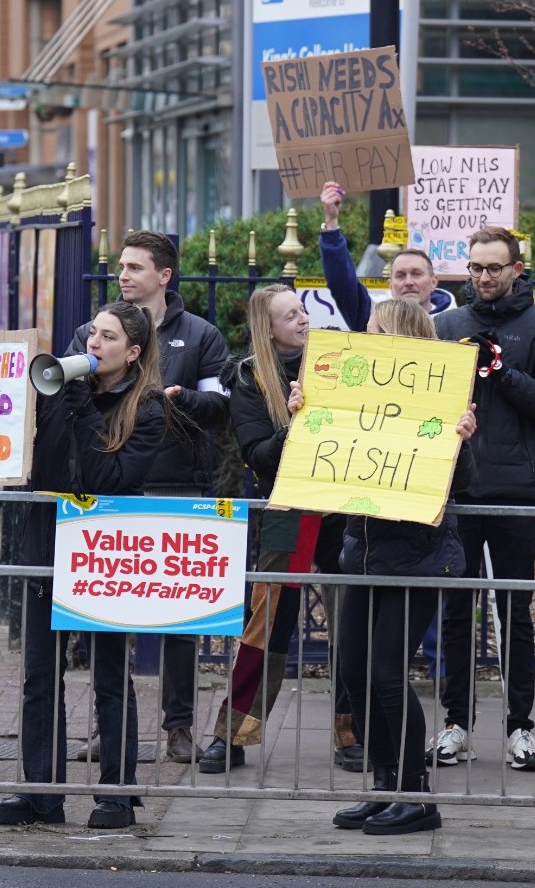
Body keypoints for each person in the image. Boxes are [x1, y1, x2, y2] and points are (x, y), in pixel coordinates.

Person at [0, 301, 168, 829]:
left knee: (110, 675)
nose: (93, 343)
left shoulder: (148, 408)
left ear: (132, 353)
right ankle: (40, 791)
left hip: (103, 550)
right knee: (40, 675)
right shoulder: (59, 391)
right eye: (92, 333)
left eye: (108, 338)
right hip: (47, 542)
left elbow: (110, 477)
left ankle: (116, 794)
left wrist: (82, 407)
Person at [70, 230, 230, 763]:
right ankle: (105, 725)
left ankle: (178, 726)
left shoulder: (201, 335)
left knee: (181, 616)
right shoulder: (91, 334)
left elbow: (221, 408)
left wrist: (176, 402)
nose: (123, 276)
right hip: (109, 488)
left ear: (164, 276)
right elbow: (70, 399)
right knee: (106, 611)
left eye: (135, 267)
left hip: (176, 481)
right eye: (120, 267)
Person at [430, 226, 535, 771]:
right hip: (458, 489)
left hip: (515, 489)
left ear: (517, 269)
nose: (485, 277)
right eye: (476, 268)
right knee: (456, 612)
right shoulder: (447, 325)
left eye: (494, 268)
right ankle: (456, 724)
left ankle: (520, 728)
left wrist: (501, 371)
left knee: (514, 610)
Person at [332, 298, 477, 836]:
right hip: (363, 550)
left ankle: (416, 795)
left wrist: (462, 439)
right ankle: (385, 783)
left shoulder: (441, 392)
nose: (363, 335)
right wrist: (307, 412)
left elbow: (463, 482)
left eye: (371, 328)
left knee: (387, 673)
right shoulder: (356, 388)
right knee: (354, 672)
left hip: (417, 555)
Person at [194, 285, 316, 774]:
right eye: (291, 315)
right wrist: (294, 420)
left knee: (354, 618)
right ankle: (233, 733)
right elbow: (257, 455)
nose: (304, 320)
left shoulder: (335, 362)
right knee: (266, 622)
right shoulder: (251, 379)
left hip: (347, 509)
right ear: (269, 330)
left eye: (304, 309)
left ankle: (355, 732)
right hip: (292, 510)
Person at [318, 180, 453, 324]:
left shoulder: (455, 325)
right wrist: (331, 220)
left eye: (417, 274)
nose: (408, 282)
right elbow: (341, 281)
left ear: (433, 282)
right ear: (390, 285)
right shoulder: (375, 319)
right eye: (400, 276)